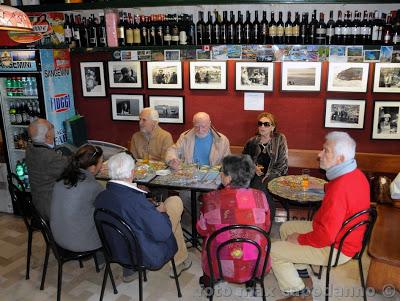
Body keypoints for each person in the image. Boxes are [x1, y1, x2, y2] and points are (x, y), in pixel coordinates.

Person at [271, 132, 370, 301]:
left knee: (273, 251)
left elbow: (326, 236)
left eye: (326, 151)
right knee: (287, 227)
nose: (319, 154)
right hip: (345, 236)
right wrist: (321, 188)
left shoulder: (340, 191)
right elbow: (335, 192)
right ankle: (301, 271)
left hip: (337, 248)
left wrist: (301, 239)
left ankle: (299, 293)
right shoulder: (355, 175)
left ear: (340, 158)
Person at [94, 152, 191, 282]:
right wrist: (161, 212)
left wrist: (149, 208)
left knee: (167, 212)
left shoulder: (101, 197)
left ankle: (181, 260)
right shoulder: (136, 202)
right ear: (131, 173)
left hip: (115, 250)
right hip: (143, 253)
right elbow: (163, 233)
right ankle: (180, 261)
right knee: (175, 201)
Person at [196, 154, 271, 286]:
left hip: (221, 262)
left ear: (229, 178)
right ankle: (251, 278)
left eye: (222, 172)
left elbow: (201, 229)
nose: (220, 174)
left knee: (208, 238)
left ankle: (210, 279)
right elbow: (267, 226)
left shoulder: (211, 199)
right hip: (256, 260)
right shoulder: (260, 196)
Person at [50, 144, 104, 262]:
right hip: (78, 243)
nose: (102, 166)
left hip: (58, 239)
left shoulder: (62, 179)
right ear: (93, 168)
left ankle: (100, 257)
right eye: (101, 163)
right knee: (111, 219)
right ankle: (112, 261)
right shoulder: (92, 186)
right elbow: (107, 205)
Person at [243, 112, 288, 222]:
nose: (262, 126)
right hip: (255, 175)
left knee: (262, 190)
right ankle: (257, 221)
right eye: (260, 124)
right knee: (256, 189)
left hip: (275, 174)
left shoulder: (279, 139)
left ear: (272, 127)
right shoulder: (252, 141)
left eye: (266, 124)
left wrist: (268, 175)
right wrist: (253, 168)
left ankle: (264, 222)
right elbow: (244, 160)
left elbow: (282, 164)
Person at [25, 118, 69, 220]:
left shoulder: (30, 148)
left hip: (38, 200)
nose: (54, 129)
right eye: (52, 127)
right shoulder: (49, 156)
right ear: (48, 135)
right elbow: (71, 167)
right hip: (50, 206)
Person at [166, 112, 230, 169]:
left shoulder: (222, 140)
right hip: (189, 173)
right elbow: (174, 149)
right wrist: (172, 159)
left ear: (210, 124)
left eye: (203, 126)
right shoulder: (185, 137)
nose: (200, 130)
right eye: (196, 126)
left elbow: (228, 161)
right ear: (193, 124)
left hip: (212, 176)